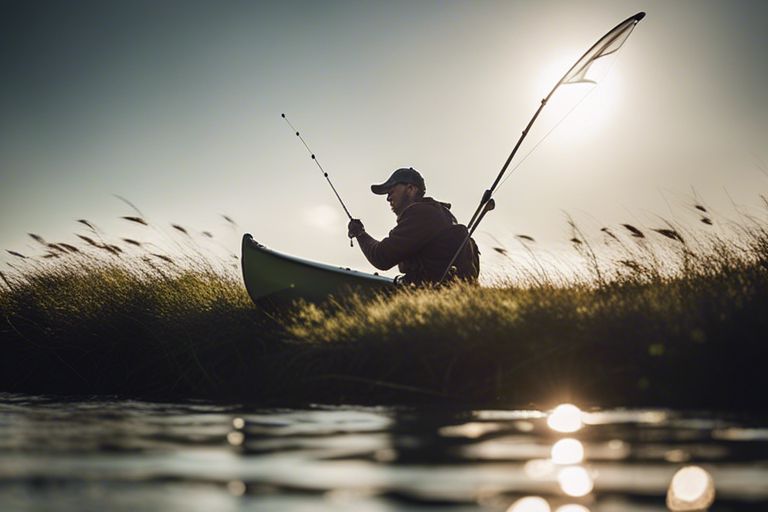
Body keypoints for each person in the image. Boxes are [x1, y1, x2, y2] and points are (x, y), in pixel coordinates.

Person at [347, 167, 479, 285]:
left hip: (433, 298)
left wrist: (360, 233)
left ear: (410, 189)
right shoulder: (441, 214)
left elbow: (381, 257)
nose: (388, 198)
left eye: (391, 191)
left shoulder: (420, 214)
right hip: (453, 293)